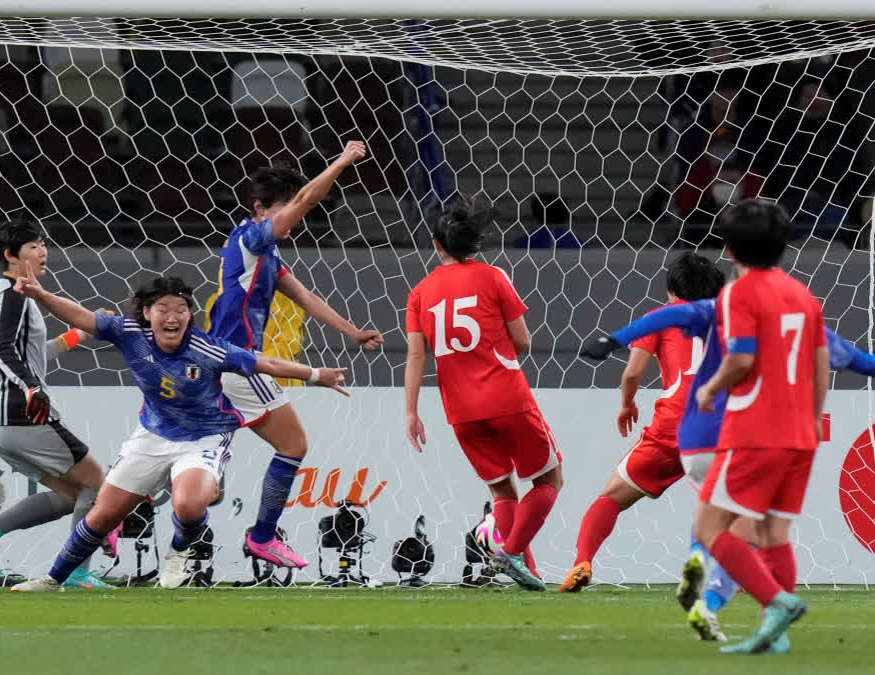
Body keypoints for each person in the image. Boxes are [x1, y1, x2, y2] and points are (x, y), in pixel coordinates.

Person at [9, 274, 349, 591]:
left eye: (181, 309)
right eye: (163, 309)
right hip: (151, 437)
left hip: (203, 439)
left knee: (187, 504)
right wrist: (39, 294)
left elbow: (269, 364)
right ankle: (53, 580)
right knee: (101, 516)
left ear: (189, 315)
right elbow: (82, 317)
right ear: (146, 313)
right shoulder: (127, 332)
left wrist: (318, 375)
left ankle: (179, 550)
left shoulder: (208, 350)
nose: (173, 317)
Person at [582, 292, 875, 643]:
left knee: (715, 527)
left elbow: (664, 320)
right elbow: (859, 361)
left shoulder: (731, 312)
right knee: (767, 532)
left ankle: (725, 582)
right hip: (789, 436)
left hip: (722, 432)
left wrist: (614, 340)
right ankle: (748, 618)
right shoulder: (805, 318)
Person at [205, 141, 384, 569]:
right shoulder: (249, 239)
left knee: (199, 480)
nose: (292, 219)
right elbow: (306, 200)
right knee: (294, 444)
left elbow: (304, 295)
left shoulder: (265, 253)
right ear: (260, 208)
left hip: (222, 364)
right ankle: (262, 536)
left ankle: (122, 518)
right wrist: (340, 160)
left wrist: (353, 332)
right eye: (283, 211)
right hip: (238, 363)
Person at [403, 195, 561, 592]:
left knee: (502, 490)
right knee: (549, 481)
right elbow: (522, 340)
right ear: (472, 243)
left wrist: (411, 412)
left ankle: (524, 571)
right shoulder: (493, 277)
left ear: (436, 245)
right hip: (506, 397)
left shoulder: (420, 292)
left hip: (460, 410)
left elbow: (416, 356)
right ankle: (508, 552)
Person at [691, 199, 825, 654]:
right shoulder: (803, 295)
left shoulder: (739, 293)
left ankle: (777, 602)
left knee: (711, 529)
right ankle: (776, 636)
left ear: (728, 249)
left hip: (754, 430)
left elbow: (742, 356)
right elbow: (820, 362)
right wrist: (810, 417)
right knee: (773, 533)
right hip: (799, 432)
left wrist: (710, 388)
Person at [559, 253, 725, 594]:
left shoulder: (661, 318)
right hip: (718, 430)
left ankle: (582, 561)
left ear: (671, 290)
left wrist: (627, 404)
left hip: (671, 429)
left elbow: (632, 372)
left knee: (610, 497)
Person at [0, 221, 110, 589]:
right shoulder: (13, 293)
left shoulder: (11, 294)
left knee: (72, 494)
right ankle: (77, 572)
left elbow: (33, 355)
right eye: (33, 246)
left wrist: (80, 332)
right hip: (19, 412)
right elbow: (4, 349)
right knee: (96, 481)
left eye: (44, 244)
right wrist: (32, 388)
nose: (43, 251)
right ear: (10, 256)